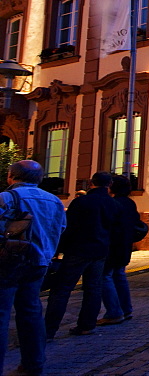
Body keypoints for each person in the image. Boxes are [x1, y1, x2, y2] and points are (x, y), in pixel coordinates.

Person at [0, 160, 66, 375]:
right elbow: (61, 228)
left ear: (11, 176)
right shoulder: (55, 201)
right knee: (31, 311)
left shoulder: (6, 198)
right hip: (39, 262)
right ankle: (33, 363)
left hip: (8, 263)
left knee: (1, 315)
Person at [45, 171, 122, 338]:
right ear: (109, 185)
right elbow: (116, 230)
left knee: (61, 289)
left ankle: (49, 329)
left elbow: (68, 228)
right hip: (100, 251)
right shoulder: (114, 204)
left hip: (78, 249)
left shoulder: (81, 202)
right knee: (93, 289)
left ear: (91, 183)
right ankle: (87, 325)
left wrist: (58, 251)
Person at [100, 175, 142, 325]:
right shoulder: (130, 203)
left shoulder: (113, 203)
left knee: (105, 276)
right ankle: (126, 309)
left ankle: (114, 312)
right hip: (125, 243)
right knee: (119, 274)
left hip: (112, 244)